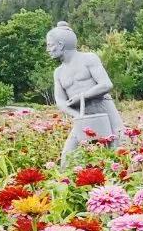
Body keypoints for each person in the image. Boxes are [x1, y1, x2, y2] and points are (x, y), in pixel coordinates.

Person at [48, 22, 125, 161]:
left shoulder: (88, 58)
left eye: (50, 45)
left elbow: (106, 84)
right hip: (82, 116)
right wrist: (77, 115)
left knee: (118, 152)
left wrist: (81, 97)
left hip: (104, 110)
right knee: (68, 157)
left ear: (60, 44)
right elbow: (60, 100)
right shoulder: (58, 72)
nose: (48, 49)